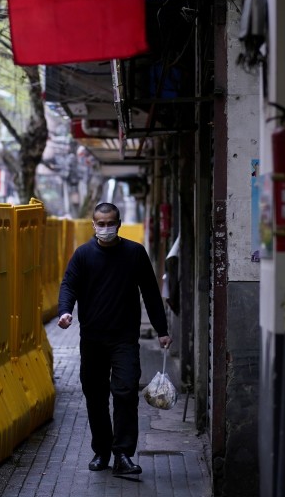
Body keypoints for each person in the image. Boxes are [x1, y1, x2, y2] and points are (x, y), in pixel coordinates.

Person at [57, 202, 172, 476]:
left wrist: (162, 329)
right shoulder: (84, 255)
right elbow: (69, 285)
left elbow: (151, 292)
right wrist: (64, 311)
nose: (105, 228)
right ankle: (102, 451)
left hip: (124, 339)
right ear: (93, 224)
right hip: (93, 339)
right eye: (101, 223)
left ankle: (122, 454)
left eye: (110, 223)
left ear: (119, 223)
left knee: (125, 391)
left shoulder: (134, 253)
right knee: (95, 396)